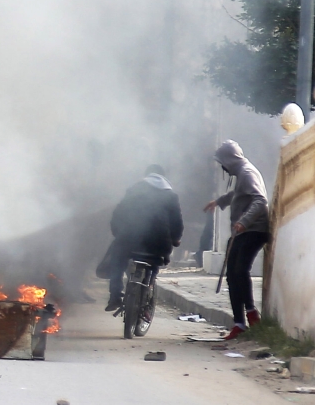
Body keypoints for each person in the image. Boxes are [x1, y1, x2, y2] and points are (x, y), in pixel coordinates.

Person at [203, 140, 270, 340]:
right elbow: (237, 194)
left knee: (240, 271)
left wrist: (244, 221)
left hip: (254, 230)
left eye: (223, 162)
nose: (222, 167)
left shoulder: (247, 173)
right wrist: (220, 201)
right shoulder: (241, 174)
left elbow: (260, 200)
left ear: (229, 160)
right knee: (232, 274)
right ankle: (239, 323)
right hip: (243, 231)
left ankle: (251, 314)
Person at [103, 164, 184, 312]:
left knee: (118, 263)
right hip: (159, 243)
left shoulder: (135, 189)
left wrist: (117, 232)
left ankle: (114, 296)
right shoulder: (171, 195)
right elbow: (176, 222)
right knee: (153, 267)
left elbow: (118, 213)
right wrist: (175, 238)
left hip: (129, 239)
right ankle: (147, 295)